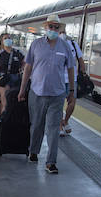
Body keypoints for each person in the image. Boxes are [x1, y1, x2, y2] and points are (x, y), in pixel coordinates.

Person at [18, 14, 76, 174]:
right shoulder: (36, 45)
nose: (53, 29)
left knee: (52, 129)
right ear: (46, 28)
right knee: (36, 125)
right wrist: (23, 89)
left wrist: (71, 91)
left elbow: (71, 69)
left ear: (60, 29)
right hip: (37, 92)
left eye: (56, 27)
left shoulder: (65, 47)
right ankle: (34, 151)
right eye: (51, 26)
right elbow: (28, 68)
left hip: (57, 94)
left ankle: (51, 162)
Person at [59, 29, 85, 136]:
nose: (62, 33)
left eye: (63, 31)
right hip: (58, 79)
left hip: (72, 79)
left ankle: (66, 120)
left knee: (72, 102)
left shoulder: (73, 44)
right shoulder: (54, 43)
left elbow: (80, 59)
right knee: (59, 104)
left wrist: (83, 73)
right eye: (60, 31)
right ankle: (60, 125)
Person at [0, 32, 24, 118]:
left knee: (14, 102)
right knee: (5, 102)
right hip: (4, 80)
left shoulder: (18, 53)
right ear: (1, 41)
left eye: (9, 38)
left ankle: (6, 118)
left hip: (16, 79)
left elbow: (25, 65)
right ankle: (4, 120)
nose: (8, 40)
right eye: (5, 38)